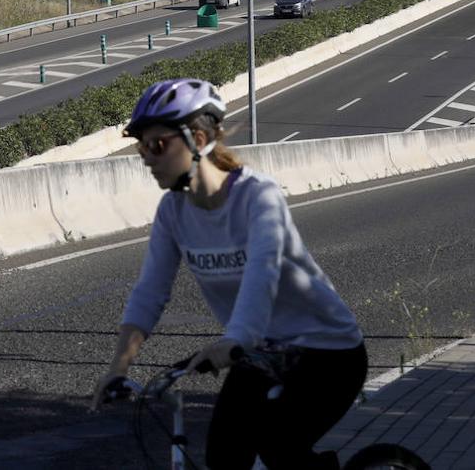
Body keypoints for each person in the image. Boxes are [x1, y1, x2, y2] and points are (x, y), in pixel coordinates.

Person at [90, 78, 366, 469]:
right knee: (224, 457)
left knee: (277, 444)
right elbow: (150, 291)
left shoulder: (257, 196)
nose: (146, 158)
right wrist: (118, 368)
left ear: (198, 138)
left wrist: (235, 338)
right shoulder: (173, 212)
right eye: (141, 148)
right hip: (259, 351)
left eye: (156, 145)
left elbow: (262, 273)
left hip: (328, 352)